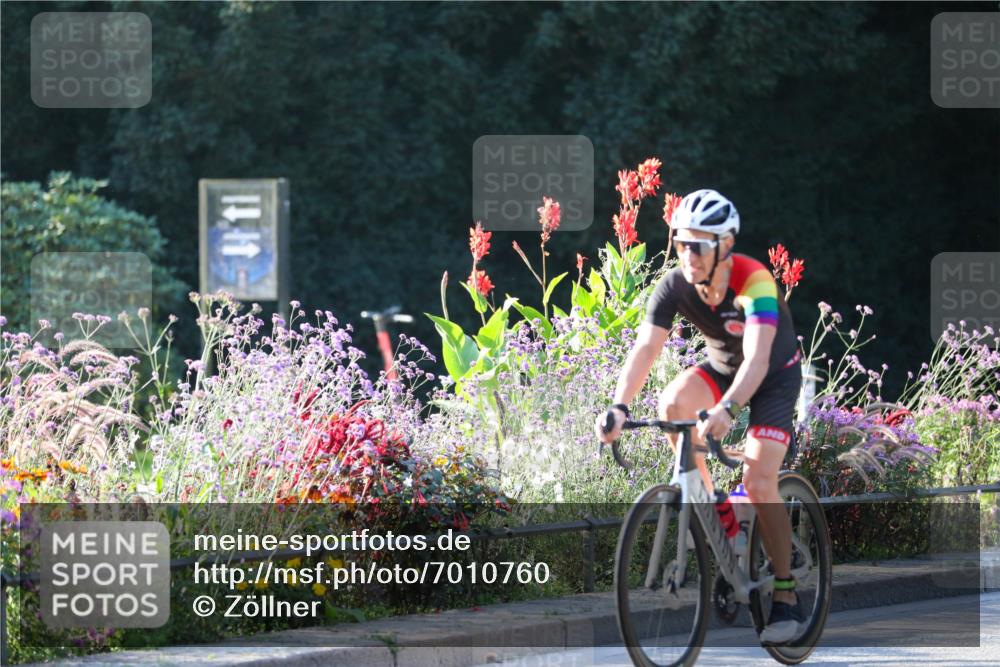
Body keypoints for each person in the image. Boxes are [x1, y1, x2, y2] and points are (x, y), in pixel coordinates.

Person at [595, 188, 805, 643]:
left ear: (724, 246)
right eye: (679, 242)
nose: (686, 254)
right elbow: (647, 347)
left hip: (772, 375)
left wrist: (728, 408)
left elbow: (756, 358)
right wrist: (618, 405)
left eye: (698, 245)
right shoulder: (674, 284)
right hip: (722, 367)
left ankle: (787, 594)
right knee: (671, 406)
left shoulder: (755, 282)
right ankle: (720, 511)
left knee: (760, 478)